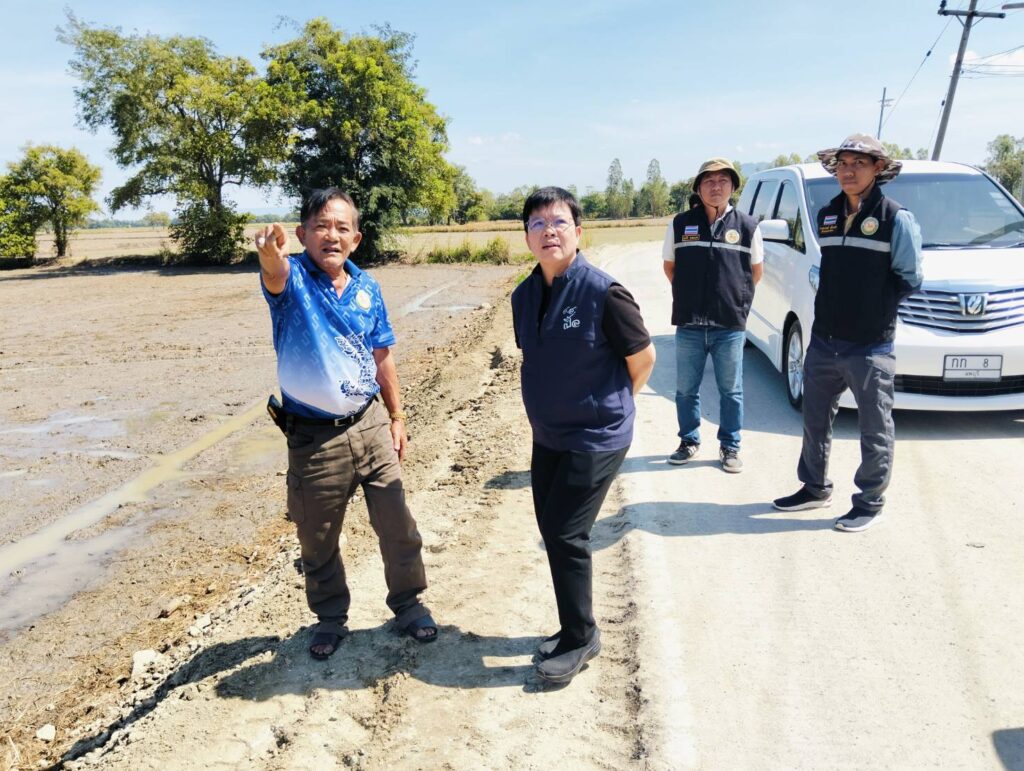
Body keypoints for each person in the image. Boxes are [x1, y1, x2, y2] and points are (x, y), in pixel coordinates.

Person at [256, 187, 437, 658]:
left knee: (397, 524)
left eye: (341, 228)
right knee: (317, 538)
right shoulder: (293, 280)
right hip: (314, 440)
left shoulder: (368, 288)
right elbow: (273, 272)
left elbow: (383, 356)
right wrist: (270, 252)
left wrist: (397, 416)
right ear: (302, 234)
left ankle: (409, 604)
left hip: (371, 424)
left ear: (356, 239)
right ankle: (330, 618)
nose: (331, 236)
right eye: (321, 226)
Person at [511, 187, 656, 684]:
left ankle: (581, 636)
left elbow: (643, 360)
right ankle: (572, 624)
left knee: (565, 532)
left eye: (558, 222)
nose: (548, 231)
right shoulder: (523, 296)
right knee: (552, 529)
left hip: (596, 436)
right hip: (548, 434)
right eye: (537, 224)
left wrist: (609, 407)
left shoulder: (603, 292)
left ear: (577, 231)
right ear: (527, 237)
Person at [772, 134, 923, 532]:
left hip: (870, 346)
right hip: (824, 341)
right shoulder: (827, 214)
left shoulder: (895, 218)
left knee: (875, 428)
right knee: (814, 420)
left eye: (859, 163)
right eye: (842, 163)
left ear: (878, 169)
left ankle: (869, 502)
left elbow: (910, 277)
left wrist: (873, 307)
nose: (848, 171)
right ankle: (814, 487)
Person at [662, 158, 763, 472]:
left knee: (731, 391)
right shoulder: (681, 224)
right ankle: (688, 441)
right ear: (698, 187)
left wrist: (733, 301)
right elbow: (669, 266)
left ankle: (730, 447)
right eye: (709, 181)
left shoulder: (747, 226)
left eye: (723, 181)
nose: (716, 186)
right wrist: (691, 296)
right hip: (689, 323)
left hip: (729, 325)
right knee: (685, 390)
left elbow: (755, 273)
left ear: (732, 187)